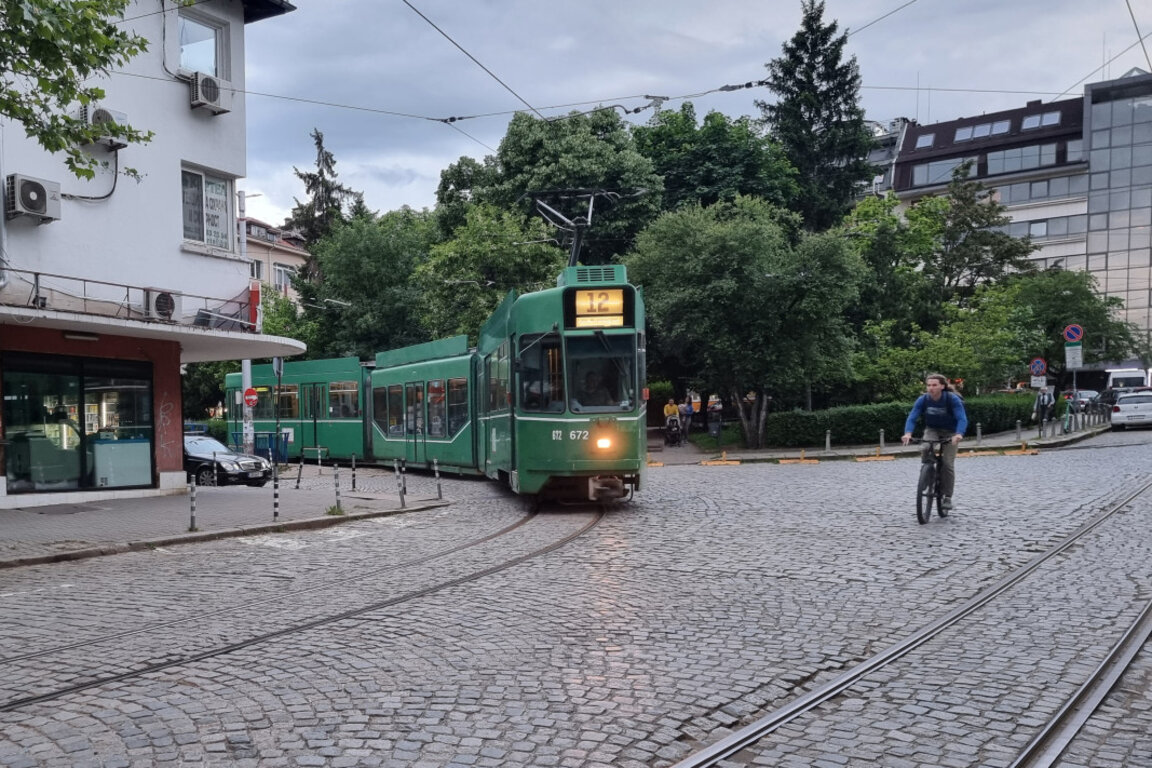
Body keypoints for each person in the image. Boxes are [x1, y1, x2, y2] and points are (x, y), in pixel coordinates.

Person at [901, 373, 968, 511]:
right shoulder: (923, 399)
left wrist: (959, 434)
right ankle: (927, 473)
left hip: (951, 432)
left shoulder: (952, 399)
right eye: (929, 385)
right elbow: (912, 417)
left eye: (934, 385)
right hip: (933, 430)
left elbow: (962, 418)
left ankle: (947, 497)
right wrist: (908, 433)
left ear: (942, 386)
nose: (931, 388)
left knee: (948, 464)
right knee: (925, 447)